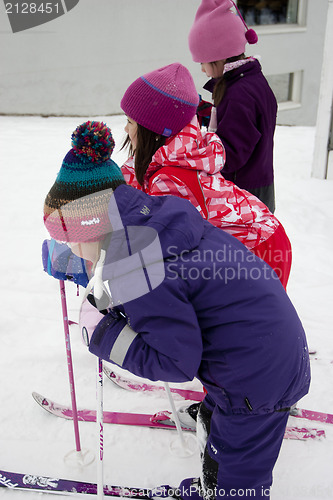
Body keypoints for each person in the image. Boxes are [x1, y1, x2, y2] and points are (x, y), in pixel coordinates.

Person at [43, 120, 310, 500]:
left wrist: (102, 333)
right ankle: (214, 482)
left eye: (69, 240)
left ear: (91, 229)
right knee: (220, 432)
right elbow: (165, 293)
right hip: (257, 355)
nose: (71, 250)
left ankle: (224, 490)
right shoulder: (155, 222)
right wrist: (101, 281)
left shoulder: (135, 263)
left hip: (256, 380)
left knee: (239, 478)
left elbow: (174, 361)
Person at [120, 62, 291, 289]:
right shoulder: (172, 154)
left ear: (154, 131)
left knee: (250, 318)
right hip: (261, 235)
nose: (125, 129)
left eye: (130, 122)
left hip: (259, 246)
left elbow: (180, 245)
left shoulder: (172, 179)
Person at [188, 0, 277, 213]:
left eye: (202, 62)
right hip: (257, 184)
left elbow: (230, 155)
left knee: (237, 248)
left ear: (218, 57)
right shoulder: (251, 81)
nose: (202, 69)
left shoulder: (238, 94)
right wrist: (207, 113)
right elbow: (241, 127)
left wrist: (196, 149)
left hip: (244, 196)